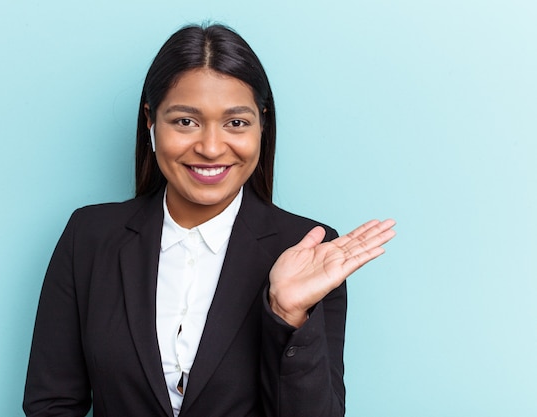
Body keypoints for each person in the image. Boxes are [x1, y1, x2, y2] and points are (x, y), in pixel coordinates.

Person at [23, 23, 396, 417]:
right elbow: (52, 404)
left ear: (262, 124)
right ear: (151, 120)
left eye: (236, 122)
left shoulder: (309, 251)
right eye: (186, 121)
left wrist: (289, 315)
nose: (211, 147)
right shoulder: (90, 237)